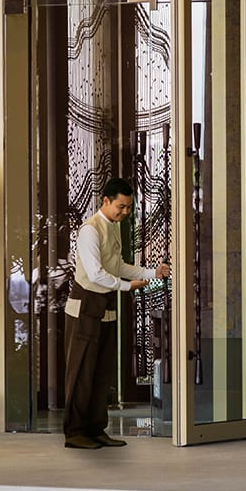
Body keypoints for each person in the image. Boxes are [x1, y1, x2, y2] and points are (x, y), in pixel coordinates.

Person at [63, 176, 170, 449]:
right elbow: (96, 274)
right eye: (121, 207)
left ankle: (96, 429)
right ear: (106, 201)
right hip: (85, 307)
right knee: (82, 371)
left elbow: (118, 265)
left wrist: (152, 273)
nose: (125, 212)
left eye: (128, 207)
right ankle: (75, 432)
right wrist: (126, 286)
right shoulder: (90, 230)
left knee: (102, 372)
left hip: (105, 305)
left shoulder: (114, 227)